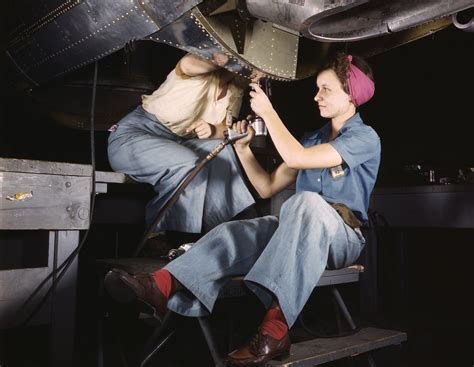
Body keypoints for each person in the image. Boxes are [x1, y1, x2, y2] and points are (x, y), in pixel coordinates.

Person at [104, 51, 381, 366]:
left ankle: (275, 329)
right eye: (316, 87)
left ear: (351, 97)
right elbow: (266, 186)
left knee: (305, 202)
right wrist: (242, 148)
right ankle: (160, 286)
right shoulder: (311, 138)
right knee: (237, 231)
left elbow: (296, 160)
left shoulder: (364, 138)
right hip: (298, 229)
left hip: (341, 238)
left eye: (326, 89)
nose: (316, 96)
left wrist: (269, 113)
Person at [107, 52, 255, 234]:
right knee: (187, 162)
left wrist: (213, 129)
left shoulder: (235, 89)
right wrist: (239, 56)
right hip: (134, 137)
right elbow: (189, 64)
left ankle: (217, 232)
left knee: (222, 152)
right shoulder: (194, 67)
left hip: (178, 143)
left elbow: (225, 128)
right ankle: (158, 234)